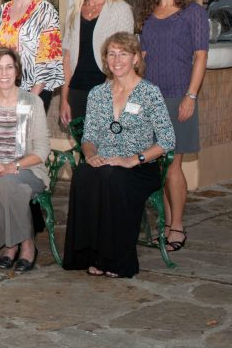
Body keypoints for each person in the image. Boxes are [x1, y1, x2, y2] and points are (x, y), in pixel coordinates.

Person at [62, 32, 175, 278]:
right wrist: (91, 156)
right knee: (83, 175)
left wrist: (133, 160)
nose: (117, 59)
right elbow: (89, 137)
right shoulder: (97, 94)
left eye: (123, 53)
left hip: (140, 166)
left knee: (114, 179)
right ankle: (88, 254)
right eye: (111, 54)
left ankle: (116, 260)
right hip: (104, 162)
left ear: (135, 58)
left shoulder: (149, 93)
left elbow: (167, 140)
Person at [138, 0, 208, 253]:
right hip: (150, 98)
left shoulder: (193, 12)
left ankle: (177, 226)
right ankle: (166, 225)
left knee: (173, 164)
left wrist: (191, 96)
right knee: (160, 166)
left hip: (179, 96)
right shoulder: (147, 12)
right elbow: (141, 56)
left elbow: (201, 56)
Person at [0, 47, 50, 273]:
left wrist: (12, 166)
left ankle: (25, 244)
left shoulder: (33, 102)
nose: (4, 73)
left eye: (9, 67)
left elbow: (41, 151)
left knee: (8, 184)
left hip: (28, 167)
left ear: (17, 71)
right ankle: (11, 241)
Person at [60, 0, 134, 124]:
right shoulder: (73, 11)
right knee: (84, 150)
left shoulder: (120, 10)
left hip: (108, 92)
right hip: (76, 92)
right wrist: (64, 99)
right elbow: (67, 58)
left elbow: (124, 59)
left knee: (106, 150)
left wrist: (112, 96)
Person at [0, 0, 64, 111]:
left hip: (35, 89)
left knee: (27, 134)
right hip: (4, 89)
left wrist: (33, 96)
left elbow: (50, 57)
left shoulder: (45, 10)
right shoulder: (2, 11)